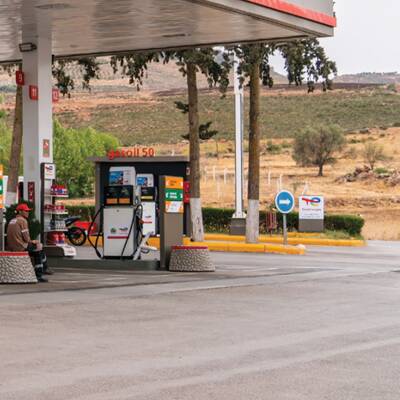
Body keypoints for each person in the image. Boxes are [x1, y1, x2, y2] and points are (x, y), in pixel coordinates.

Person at [6, 203, 52, 283]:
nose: (28, 212)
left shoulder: (12, 220)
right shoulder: (23, 221)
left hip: (12, 247)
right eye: (26, 211)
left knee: (39, 249)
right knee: (39, 249)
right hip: (21, 246)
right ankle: (39, 274)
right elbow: (26, 238)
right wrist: (33, 241)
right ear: (20, 212)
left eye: (28, 211)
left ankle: (44, 268)